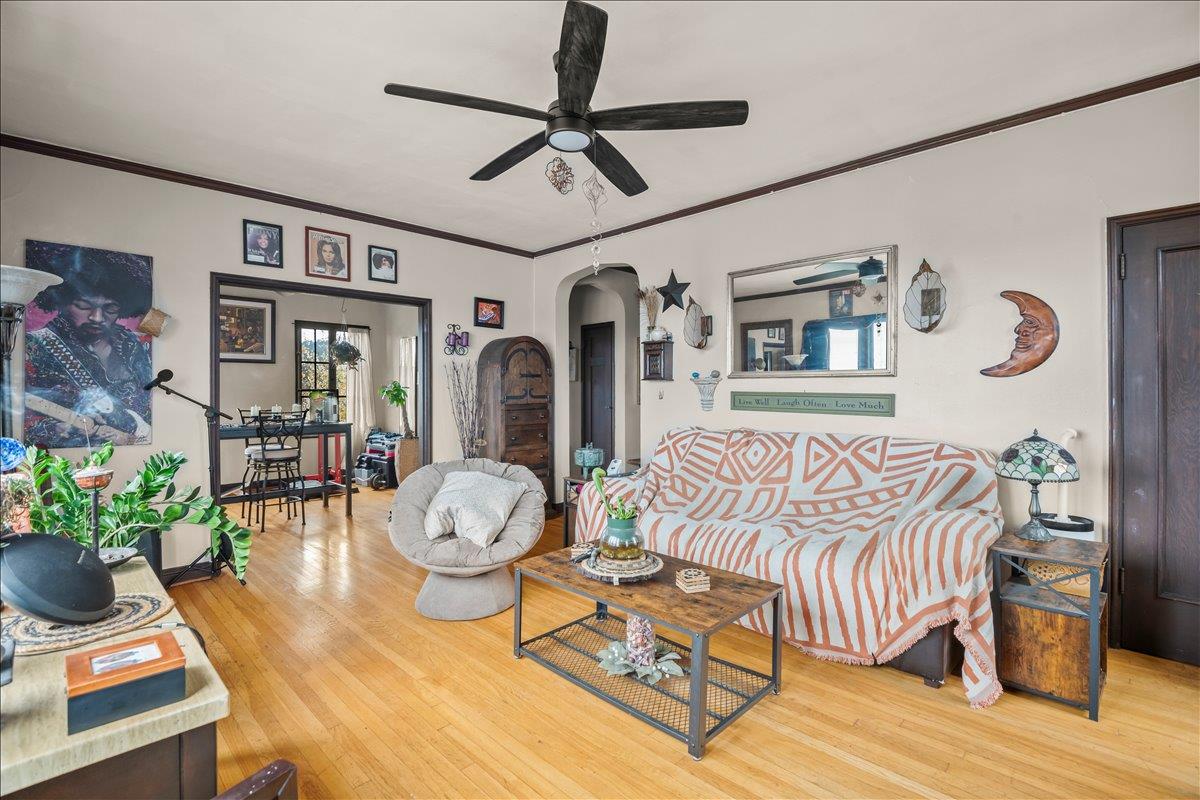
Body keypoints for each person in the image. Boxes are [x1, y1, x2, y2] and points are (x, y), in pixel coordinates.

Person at [24, 248, 153, 447]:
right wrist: (58, 428)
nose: (97, 318)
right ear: (62, 302)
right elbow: (20, 421)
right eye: (84, 306)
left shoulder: (133, 344)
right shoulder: (35, 347)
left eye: (110, 308)